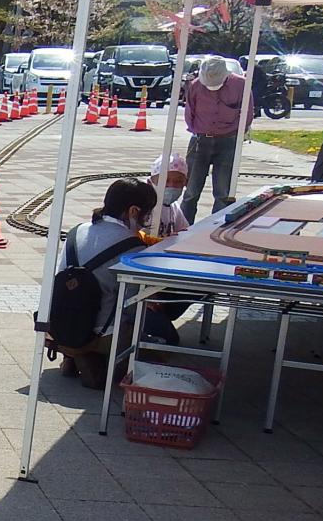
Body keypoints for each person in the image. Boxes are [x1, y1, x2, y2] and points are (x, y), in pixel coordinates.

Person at [54, 178, 181, 385]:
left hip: (59, 327)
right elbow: (132, 307)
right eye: (146, 215)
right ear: (132, 211)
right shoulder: (133, 248)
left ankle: (73, 355)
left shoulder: (76, 232)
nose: (145, 222)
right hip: (103, 336)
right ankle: (100, 362)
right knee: (166, 337)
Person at [181, 57, 248, 223]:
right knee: (191, 191)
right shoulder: (195, 85)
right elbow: (190, 111)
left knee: (222, 192)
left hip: (228, 141)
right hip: (200, 140)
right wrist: (198, 131)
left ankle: (215, 227)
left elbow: (247, 114)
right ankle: (183, 226)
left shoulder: (240, 85)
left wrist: (236, 132)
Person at [149, 153, 191, 237]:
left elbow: (184, 229)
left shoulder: (174, 208)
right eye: (165, 180)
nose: (171, 185)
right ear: (151, 182)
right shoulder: (144, 206)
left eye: (178, 182)